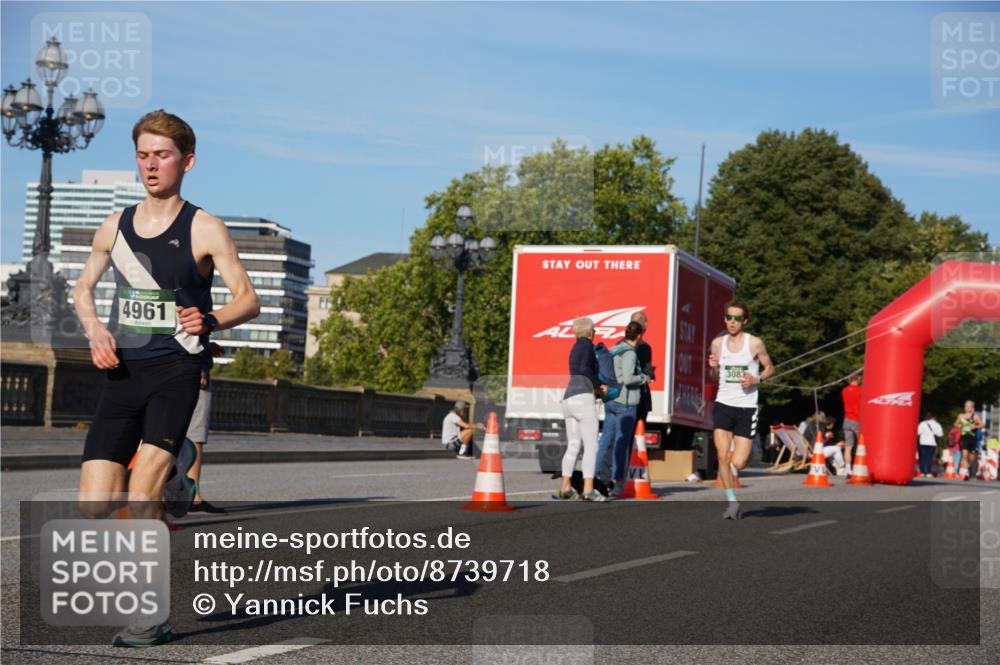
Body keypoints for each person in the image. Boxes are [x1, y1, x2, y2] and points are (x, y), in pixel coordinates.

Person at [72, 110, 260, 647]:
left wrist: (211, 320)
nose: (151, 165)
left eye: (162, 155)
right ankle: (179, 473)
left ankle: (150, 615)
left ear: (187, 162)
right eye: (143, 155)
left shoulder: (205, 227)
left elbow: (248, 299)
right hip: (123, 371)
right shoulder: (115, 226)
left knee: (142, 493)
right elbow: (83, 289)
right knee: (94, 505)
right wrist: (95, 331)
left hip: (177, 370)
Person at [708, 301, 774, 520]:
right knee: (721, 455)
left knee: (738, 462)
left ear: (744, 321)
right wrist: (713, 368)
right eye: (729, 318)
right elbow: (713, 377)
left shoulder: (754, 343)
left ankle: (741, 455)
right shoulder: (717, 344)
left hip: (746, 407)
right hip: (723, 404)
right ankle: (732, 502)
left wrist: (756, 379)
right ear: (725, 319)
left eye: (737, 319)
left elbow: (770, 368)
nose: (732, 322)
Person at [555, 317, 607, 502]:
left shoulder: (575, 348)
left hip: (568, 398)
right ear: (590, 332)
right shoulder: (587, 346)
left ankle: (566, 487)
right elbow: (585, 369)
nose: (595, 333)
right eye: (594, 330)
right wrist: (599, 385)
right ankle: (588, 489)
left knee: (573, 445)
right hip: (583, 399)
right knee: (592, 445)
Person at [596, 321, 648, 497]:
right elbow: (628, 378)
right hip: (625, 403)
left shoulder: (615, 349)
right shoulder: (630, 353)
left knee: (605, 441)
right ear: (639, 335)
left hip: (611, 399)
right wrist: (644, 377)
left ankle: (594, 478)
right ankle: (618, 483)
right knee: (622, 444)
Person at [187, 342, 225, 513]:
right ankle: (192, 497)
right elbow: (188, 333)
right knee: (195, 434)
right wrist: (199, 364)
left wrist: (207, 346)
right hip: (190, 368)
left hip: (157, 366)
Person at [630, 311, 654, 438]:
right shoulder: (644, 347)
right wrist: (650, 375)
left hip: (620, 397)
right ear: (645, 327)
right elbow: (647, 371)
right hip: (638, 395)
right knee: (636, 434)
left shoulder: (619, 345)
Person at [955, 400, 984, 481]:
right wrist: (959, 425)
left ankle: (970, 469)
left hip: (972, 439)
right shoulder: (961, 416)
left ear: (972, 407)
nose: (968, 408)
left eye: (969, 406)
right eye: (966, 406)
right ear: (964, 407)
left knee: (972, 458)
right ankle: (966, 473)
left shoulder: (975, 416)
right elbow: (956, 424)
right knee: (964, 455)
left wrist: (975, 426)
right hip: (964, 438)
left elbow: (982, 424)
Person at [841, 373, 861, 472]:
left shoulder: (844, 390)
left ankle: (848, 470)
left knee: (848, 447)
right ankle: (859, 468)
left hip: (847, 419)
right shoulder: (861, 390)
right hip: (857, 419)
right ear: (858, 379)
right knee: (861, 446)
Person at [917, 412, 943, 478]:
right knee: (929, 458)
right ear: (934, 417)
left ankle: (922, 472)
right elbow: (940, 434)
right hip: (932, 443)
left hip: (922, 442)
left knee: (922, 458)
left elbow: (918, 432)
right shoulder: (937, 424)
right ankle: (928, 472)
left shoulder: (922, 423)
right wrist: (934, 432)